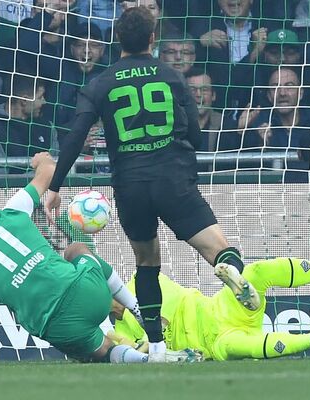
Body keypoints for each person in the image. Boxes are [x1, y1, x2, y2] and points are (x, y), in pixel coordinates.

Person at [43, 6, 260, 362]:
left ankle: (158, 348)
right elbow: (196, 135)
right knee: (216, 247)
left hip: (130, 186)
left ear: (116, 41)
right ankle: (233, 273)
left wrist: (54, 188)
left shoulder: (100, 84)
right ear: (153, 39)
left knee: (147, 262)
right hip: (172, 178)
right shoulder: (172, 76)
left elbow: (74, 136)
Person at [0, 153, 202, 364]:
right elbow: (49, 167)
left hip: (54, 325)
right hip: (87, 293)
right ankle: (137, 309)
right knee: (76, 249)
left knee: (101, 351)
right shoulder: (12, 210)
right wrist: (39, 160)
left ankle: (145, 360)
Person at [109, 252, 310, 361]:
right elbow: (130, 356)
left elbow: (159, 327)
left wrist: (147, 347)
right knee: (248, 347)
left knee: (258, 271)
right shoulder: (115, 329)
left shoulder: (140, 282)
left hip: (219, 310)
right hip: (215, 344)